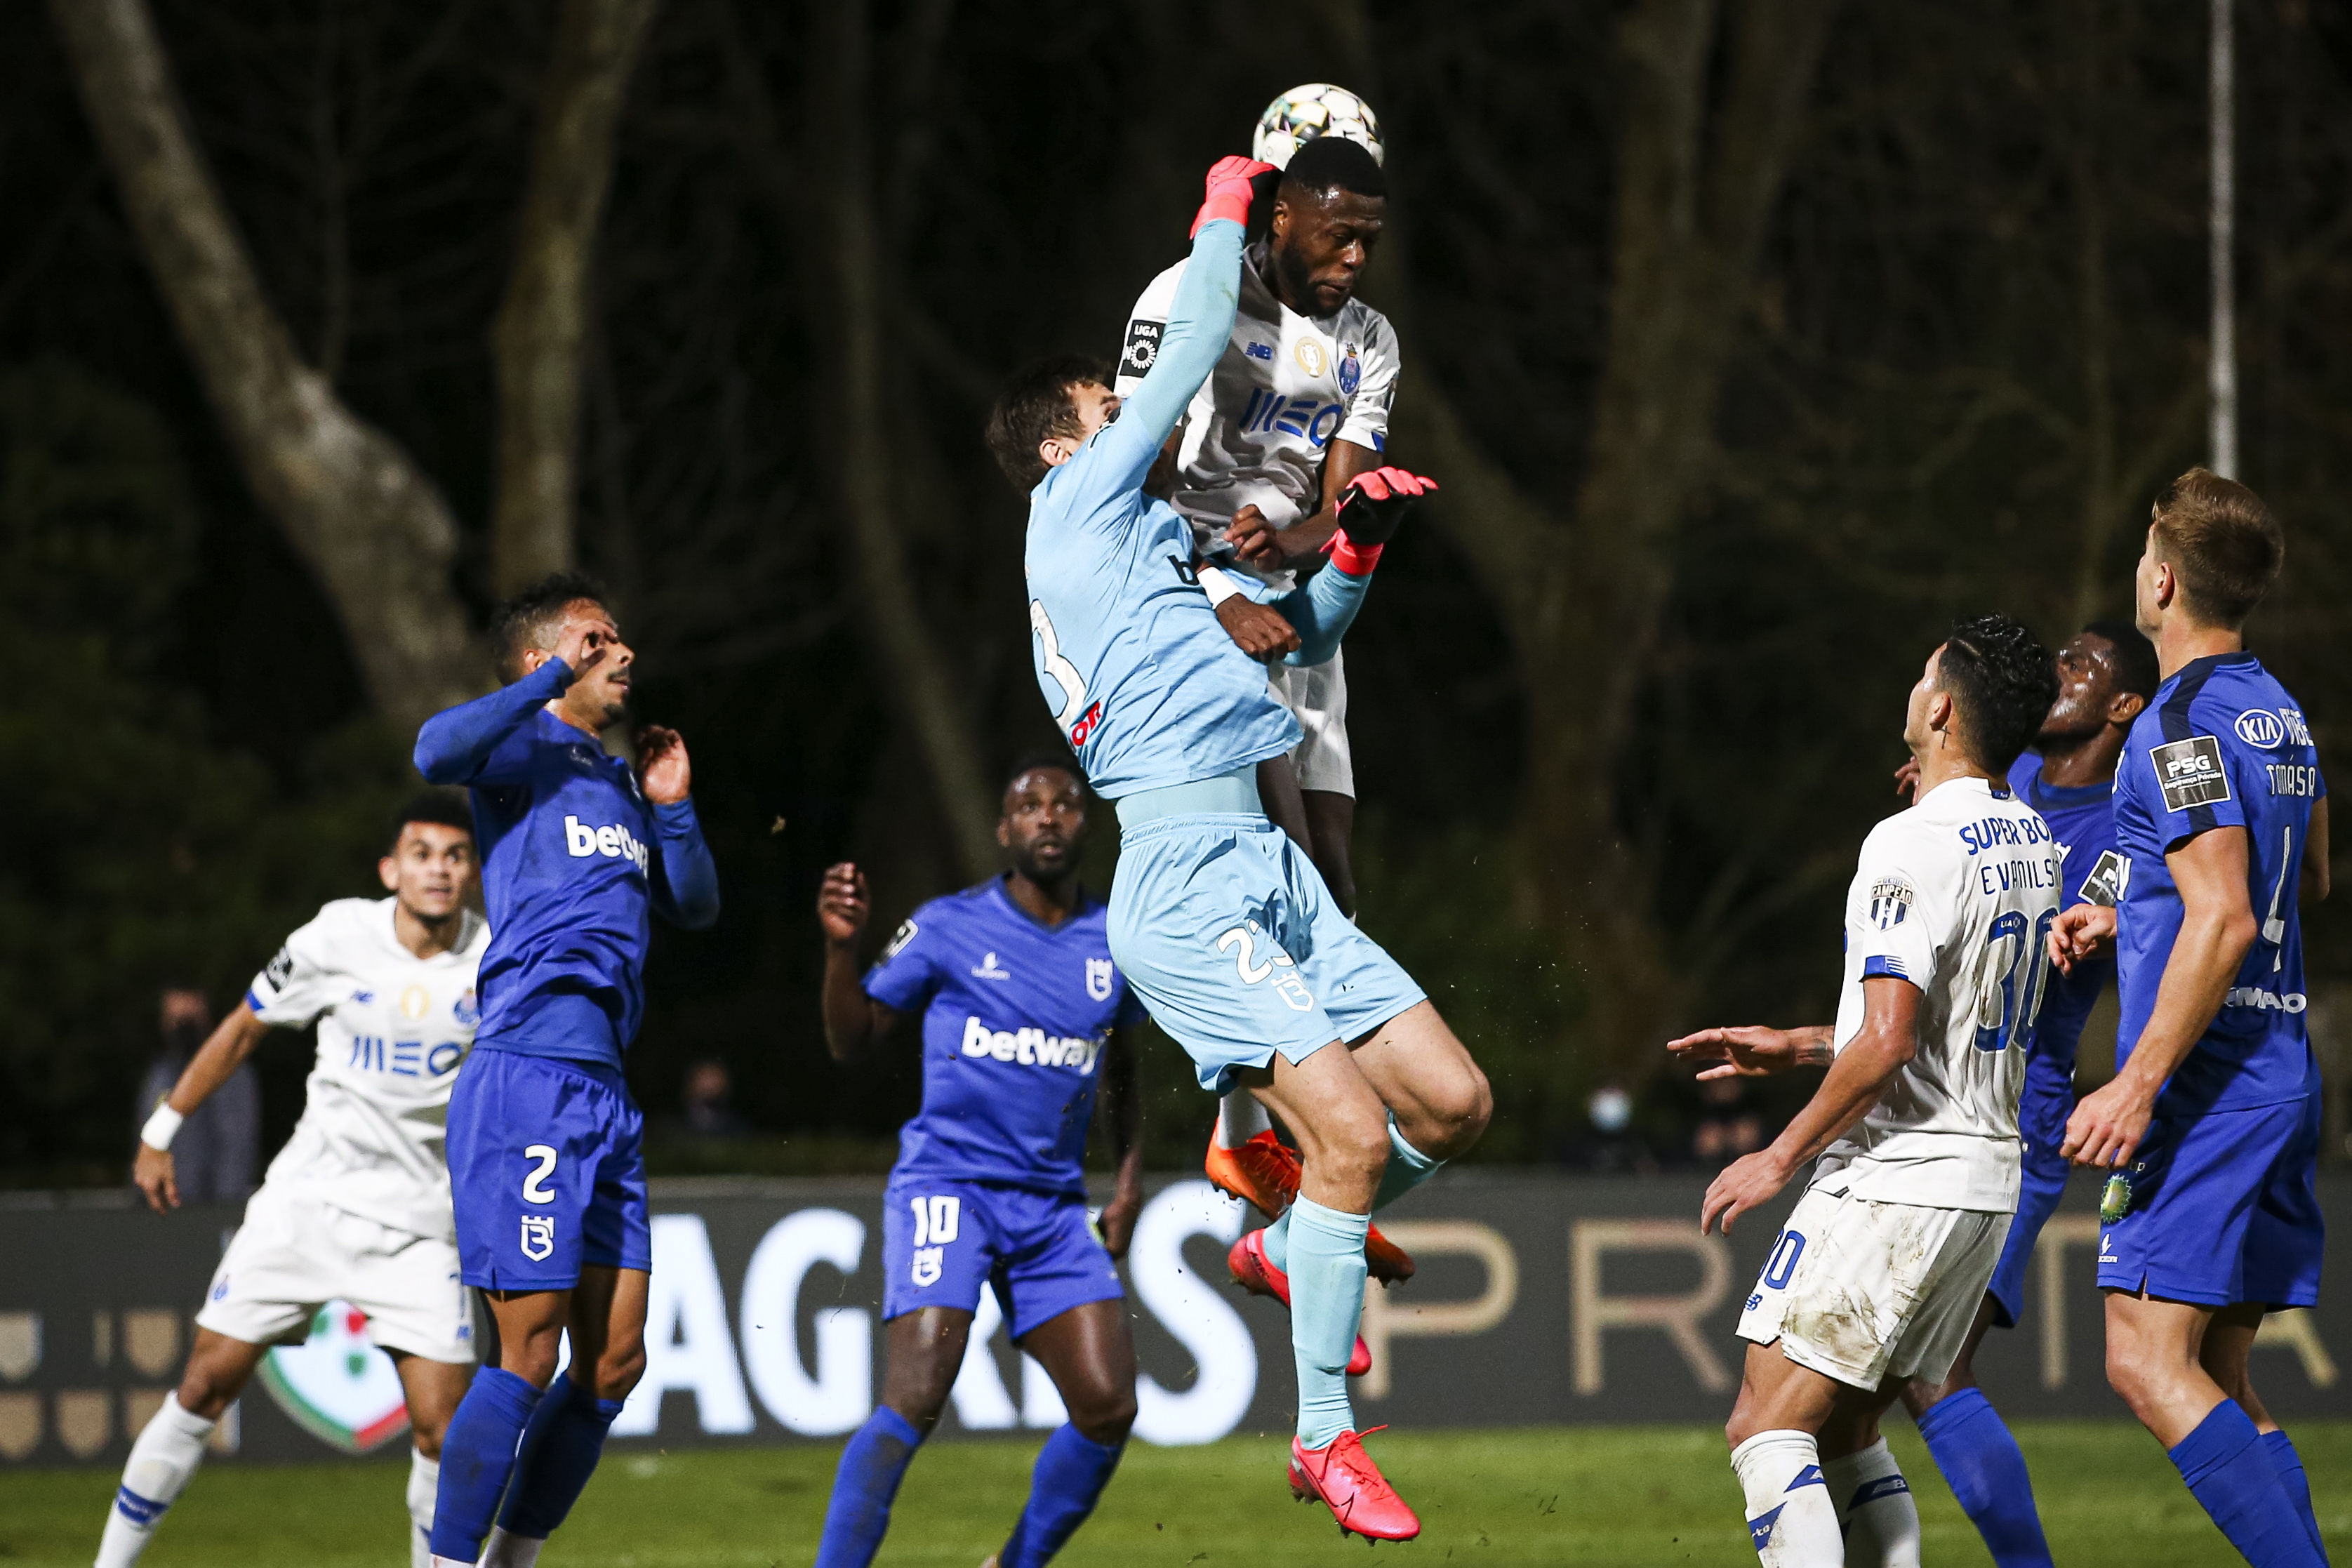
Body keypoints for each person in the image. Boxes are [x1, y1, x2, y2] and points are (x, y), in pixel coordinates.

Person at [990, 156, 1489, 1541]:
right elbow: (1199, 337)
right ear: (1058, 446)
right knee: (1339, 1131)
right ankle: (1320, 1437)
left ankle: (1292, 1235)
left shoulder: (1147, 533)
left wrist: (1356, 549)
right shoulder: (1073, 512)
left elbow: (1302, 638)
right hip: (1182, 879)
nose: (1134, 410)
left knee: (1447, 1103)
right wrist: (1226, 205)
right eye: (1108, 404)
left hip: (1265, 868)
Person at [1667, 615, 2061, 1568]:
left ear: (1936, 707)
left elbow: (1886, 1042)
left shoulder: (1905, 840)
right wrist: (1804, 1043)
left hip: (1899, 1176)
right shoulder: (2031, 838)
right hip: (1981, 1180)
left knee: (1763, 1426)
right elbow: (1931, 1025)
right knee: (1842, 1433)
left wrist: (1775, 1152)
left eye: (1921, 675)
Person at [1114, 119, 1412, 1271]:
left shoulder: (1368, 339)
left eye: (1367, 241)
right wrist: (1202, 580)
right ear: (1277, 202)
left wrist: (1305, 530)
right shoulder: (1187, 297)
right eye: (1335, 234)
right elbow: (1128, 463)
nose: (1350, 262)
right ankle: (1279, 1147)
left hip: (1295, 597)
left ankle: (1257, 1158)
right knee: (1264, 854)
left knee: (1330, 875)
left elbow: (1340, 495)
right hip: (1196, 609)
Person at [2049, 470, 2330, 1568]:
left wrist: (2133, 1080)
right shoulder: (2279, 710)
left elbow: (2218, 913)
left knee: (2138, 1357)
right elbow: (2299, 876)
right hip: (2279, 1067)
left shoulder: (2171, 720)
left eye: (2138, 554)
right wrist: (2121, 902)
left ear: (2160, 581)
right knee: (2216, 1374)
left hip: (2207, 1086)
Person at [413, 573, 721, 1568]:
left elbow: (697, 905)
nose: (625, 651)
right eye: (602, 636)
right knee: (530, 1351)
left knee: (613, 1363)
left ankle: (510, 1561)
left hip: (604, 1090)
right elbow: (431, 751)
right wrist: (549, 672)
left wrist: (670, 809)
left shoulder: (616, 781)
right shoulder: (521, 750)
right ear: (545, 656)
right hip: (529, 1070)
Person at [100, 793, 489, 1568]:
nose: (438, 868)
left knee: (445, 1431)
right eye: (421, 852)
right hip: (308, 1200)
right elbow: (244, 1026)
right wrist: (161, 1130)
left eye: (454, 854)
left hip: (422, 1221)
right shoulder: (337, 935)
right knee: (204, 1385)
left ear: (472, 871)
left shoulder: (496, 955)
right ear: (391, 868)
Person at [810, 755, 1147, 1568]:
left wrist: (1131, 1181)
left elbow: (1127, 1074)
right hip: (949, 1186)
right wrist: (840, 952)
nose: (1049, 815)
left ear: (1085, 823)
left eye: (1065, 803)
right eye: (1029, 804)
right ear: (1004, 830)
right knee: (918, 1392)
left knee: (1107, 1405)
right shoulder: (949, 926)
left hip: (1053, 1208)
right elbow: (851, 1039)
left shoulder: (1118, 940)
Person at [1889, 621, 2155, 1567]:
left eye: (2080, 667)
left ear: (2122, 707)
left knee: (1922, 1366)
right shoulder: (2021, 788)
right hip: (1938, 1101)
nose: (2057, 674)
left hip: (2008, 1122)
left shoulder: (2117, 834)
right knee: (1849, 1380)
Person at [134, 989, 259, 1204]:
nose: (183, 1029)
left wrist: (221, 1211)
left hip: (210, 1207)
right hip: (164, 1206)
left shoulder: (230, 1073)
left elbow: (236, 1146)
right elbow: (144, 1139)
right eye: (176, 1019)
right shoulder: (159, 1075)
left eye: (189, 1019)